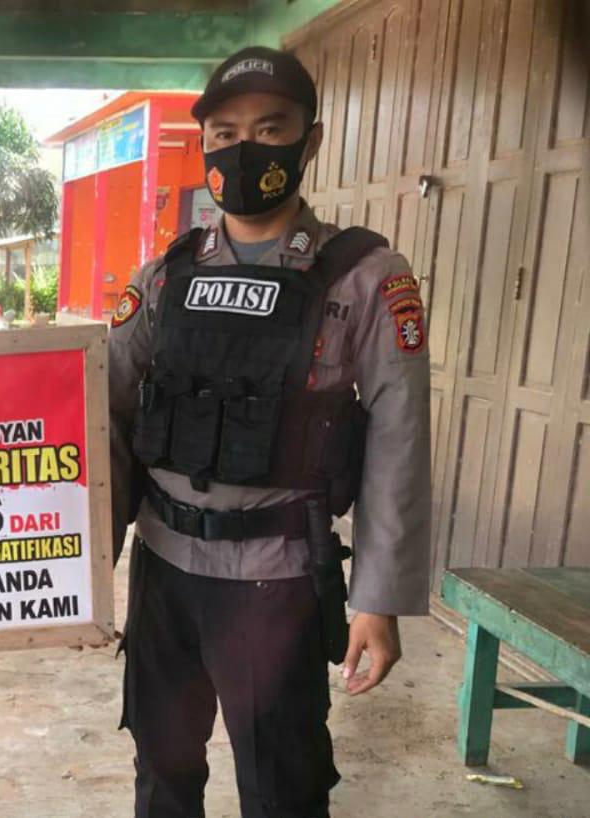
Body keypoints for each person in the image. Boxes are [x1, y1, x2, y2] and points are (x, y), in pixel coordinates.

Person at [109, 46, 431, 818]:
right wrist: (73, 571)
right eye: (224, 134)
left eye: (269, 128)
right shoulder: (164, 276)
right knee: (162, 773)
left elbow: (399, 437)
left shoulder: (366, 276)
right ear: (205, 145)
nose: (244, 148)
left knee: (282, 787)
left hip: (276, 578)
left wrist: (378, 600)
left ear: (308, 142)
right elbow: (104, 416)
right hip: (163, 569)